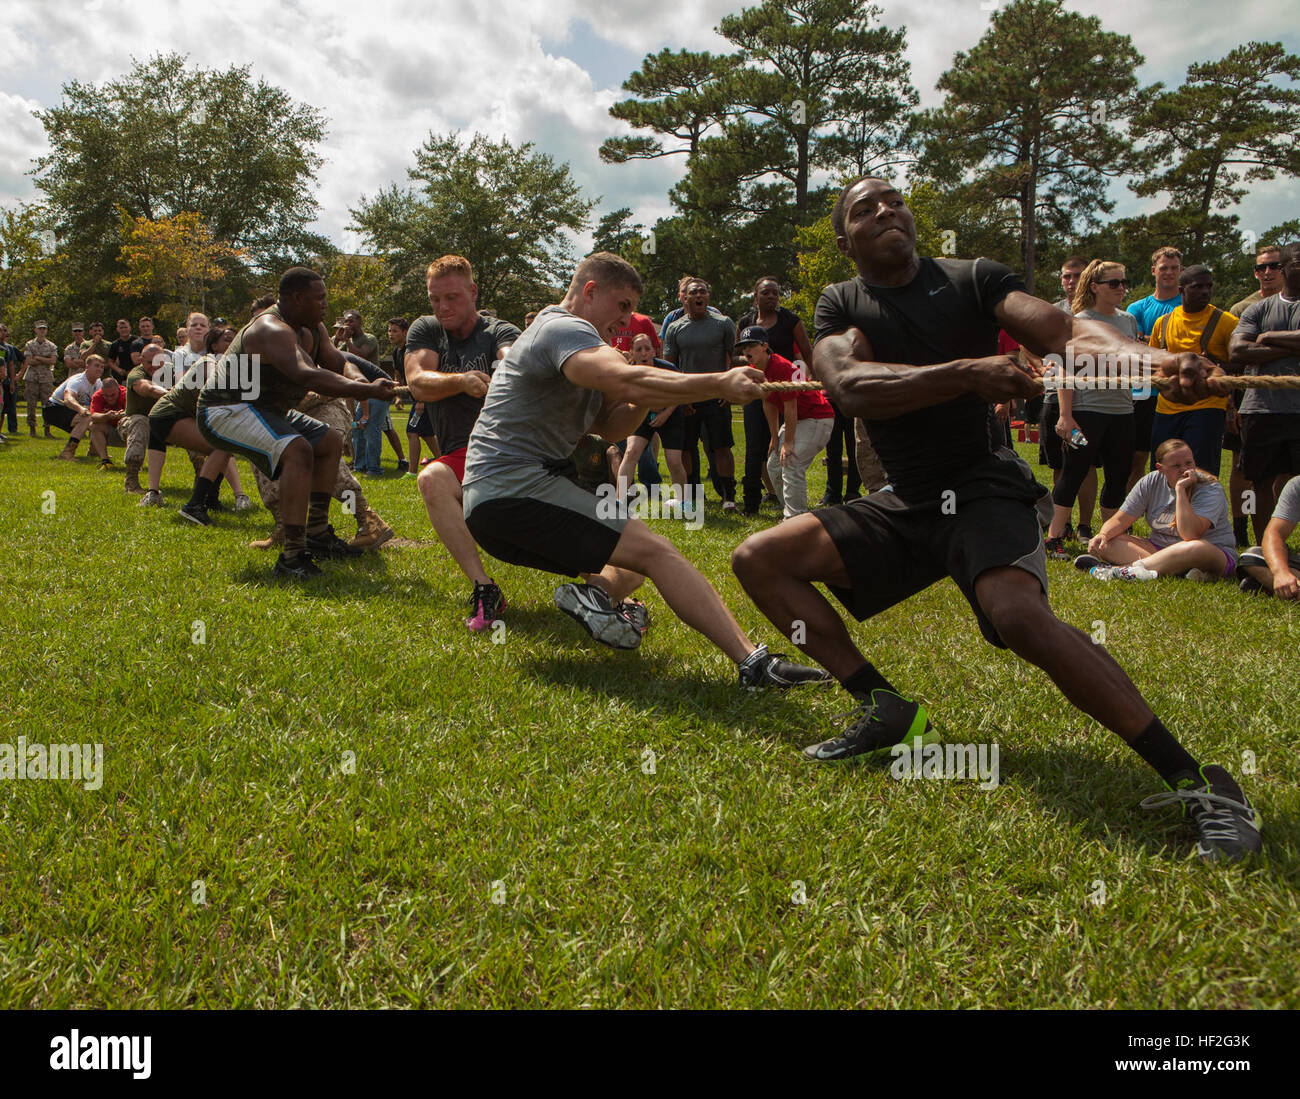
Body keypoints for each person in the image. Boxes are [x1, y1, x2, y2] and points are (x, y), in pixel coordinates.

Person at [729, 175, 1260, 863]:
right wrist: (967, 372)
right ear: (844, 240)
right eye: (866, 209)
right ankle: (883, 704)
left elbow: (1066, 329)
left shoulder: (971, 279)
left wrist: (1157, 361)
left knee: (1018, 616)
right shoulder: (841, 304)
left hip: (983, 489)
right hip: (906, 499)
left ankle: (1201, 783)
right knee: (757, 558)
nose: (888, 210)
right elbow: (848, 387)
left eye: (896, 201)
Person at [461, 250, 830, 695]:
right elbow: (624, 381)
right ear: (590, 291)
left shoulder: (577, 347)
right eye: (621, 307)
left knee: (632, 564)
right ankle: (755, 664)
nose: (626, 321)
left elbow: (609, 425)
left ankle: (596, 597)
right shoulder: (564, 328)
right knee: (660, 552)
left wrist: (648, 396)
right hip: (514, 489)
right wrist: (717, 382)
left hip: (495, 508)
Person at [196, 266, 395, 576]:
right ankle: (292, 556)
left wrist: (360, 381)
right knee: (298, 450)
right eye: (320, 298)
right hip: (226, 410)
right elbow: (307, 373)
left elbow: (338, 362)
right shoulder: (269, 329)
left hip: (265, 409)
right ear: (298, 298)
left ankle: (317, 536)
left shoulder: (314, 327)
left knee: (328, 442)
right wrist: (366, 388)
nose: (326, 304)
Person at [409, 255, 522, 629]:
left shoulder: (497, 331)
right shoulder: (426, 330)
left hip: (507, 453)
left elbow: (510, 360)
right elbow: (418, 381)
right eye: (435, 299)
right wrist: (461, 381)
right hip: (461, 453)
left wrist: (505, 368)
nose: (443, 307)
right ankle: (484, 587)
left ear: (473, 292)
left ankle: (610, 591)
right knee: (430, 479)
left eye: (453, 298)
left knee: (541, 534)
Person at [1042, 260, 1138, 559]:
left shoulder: (1128, 320)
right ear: (1095, 287)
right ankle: (1054, 538)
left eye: (1124, 282)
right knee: (1073, 471)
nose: (1121, 288)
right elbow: (1064, 369)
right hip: (1086, 412)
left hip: (1122, 411)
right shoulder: (1079, 321)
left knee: (1118, 474)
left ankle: (1111, 538)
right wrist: (1066, 415)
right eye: (1114, 283)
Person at [1074, 439, 1237, 582]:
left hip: (1210, 553)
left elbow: (1190, 534)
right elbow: (1120, 520)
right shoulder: (1151, 481)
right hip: (1159, 548)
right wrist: (1102, 535)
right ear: (1160, 468)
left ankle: (1119, 571)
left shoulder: (1210, 488)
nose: (1185, 469)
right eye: (1176, 466)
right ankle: (1171, 570)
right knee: (1109, 542)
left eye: (1189, 463)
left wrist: (1180, 490)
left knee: (1195, 547)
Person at [1227, 241, 1300, 544]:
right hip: (1261, 409)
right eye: (1296, 261)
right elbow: (1237, 350)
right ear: (1286, 266)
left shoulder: (1261, 320)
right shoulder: (1257, 308)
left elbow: (1251, 346)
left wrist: (1267, 337)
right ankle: (1260, 547)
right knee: (1256, 482)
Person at [734, 325, 833, 519]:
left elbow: (791, 407)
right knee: (773, 465)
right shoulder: (757, 371)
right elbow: (769, 404)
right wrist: (774, 437)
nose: (747, 351)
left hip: (817, 417)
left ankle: (795, 517)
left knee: (790, 462)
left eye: (752, 345)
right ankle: (788, 507)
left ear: (765, 346)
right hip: (800, 420)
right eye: (744, 347)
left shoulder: (779, 366)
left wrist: (787, 442)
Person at [141, 325, 243, 513]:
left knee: (224, 446)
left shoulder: (232, 367)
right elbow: (216, 383)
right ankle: (197, 504)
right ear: (213, 345)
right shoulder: (209, 362)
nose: (234, 343)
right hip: (168, 414)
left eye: (236, 339)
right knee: (219, 447)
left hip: (181, 415)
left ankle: (210, 501)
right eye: (228, 339)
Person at [736, 277, 816, 514]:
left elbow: (807, 353)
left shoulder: (790, 320)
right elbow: (737, 355)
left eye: (775, 293)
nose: (771, 296)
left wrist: (810, 380)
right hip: (757, 391)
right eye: (766, 293)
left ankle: (786, 498)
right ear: (755, 296)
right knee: (753, 446)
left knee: (784, 444)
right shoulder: (746, 323)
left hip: (786, 394)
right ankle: (751, 501)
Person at [1148, 266, 1237, 478]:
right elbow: (1151, 362)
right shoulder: (1164, 323)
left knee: (1201, 471)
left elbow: (1242, 362)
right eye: (1198, 287)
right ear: (1182, 290)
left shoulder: (1226, 322)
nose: (1205, 291)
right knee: (1161, 472)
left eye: (1209, 286)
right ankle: (1164, 511)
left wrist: (1214, 364)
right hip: (1166, 408)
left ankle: (1200, 511)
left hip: (1208, 407)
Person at [664, 278, 739, 510]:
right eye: (693, 292)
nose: (699, 295)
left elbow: (734, 359)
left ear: (708, 297)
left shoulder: (724, 323)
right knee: (686, 449)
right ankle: (690, 496)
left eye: (703, 292)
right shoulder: (675, 328)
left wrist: (729, 388)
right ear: (685, 298)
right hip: (688, 400)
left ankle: (728, 497)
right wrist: (680, 398)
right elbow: (669, 367)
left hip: (717, 398)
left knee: (721, 448)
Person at [1039, 257, 1097, 540]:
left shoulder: (1097, 313)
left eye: (1077, 276)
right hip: (1054, 396)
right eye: (1066, 276)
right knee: (1060, 466)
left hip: (1090, 400)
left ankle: (1085, 525)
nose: (1071, 281)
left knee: (1085, 466)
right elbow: (1026, 338)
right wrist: (1039, 364)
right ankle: (1062, 526)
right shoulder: (1051, 312)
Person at [1125, 247, 1183, 491]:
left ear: (1181, 271)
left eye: (1174, 268)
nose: (1169, 273)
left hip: (1177, 392)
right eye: (1163, 268)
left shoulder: (1188, 304)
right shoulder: (1137, 308)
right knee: (1137, 457)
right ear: (1153, 271)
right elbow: (1131, 347)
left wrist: (1148, 342)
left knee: (1174, 458)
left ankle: (1171, 510)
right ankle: (1129, 512)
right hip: (1144, 391)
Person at [614, 332, 687, 503]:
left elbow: (680, 393)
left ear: (655, 351)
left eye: (647, 348)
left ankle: (682, 501)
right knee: (631, 452)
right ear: (631, 353)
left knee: (674, 461)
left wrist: (665, 414)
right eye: (639, 349)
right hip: (642, 415)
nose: (644, 353)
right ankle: (619, 500)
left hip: (670, 415)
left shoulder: (668, 369)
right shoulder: (628, 372)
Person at [119, 343, 172, 494]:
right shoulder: (136, 374)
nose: (155, 367)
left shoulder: (172, 373)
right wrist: (169, 394)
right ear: (141, 360)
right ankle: (131, 481)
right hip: (132, 423)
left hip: (162, 423)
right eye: (150, 363)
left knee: (188, 423)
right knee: (141, 421)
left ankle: (202, 478)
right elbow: (147, 388)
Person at [1238, 474, 1300, 598]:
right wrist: (1281, 573)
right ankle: (1290, 586)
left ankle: (1281, 589)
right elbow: (1274, 533)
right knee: (1252, 556)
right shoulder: (1297, 485)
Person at [48, 355, 104, 458]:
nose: (100, 369)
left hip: (69, 410)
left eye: (101, 367)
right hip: (53, 408)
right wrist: (81, 409)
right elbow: (68, 398)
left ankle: (94, 451)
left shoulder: (98, 383)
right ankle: (67, 453)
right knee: (86, 418)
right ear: (87, 367)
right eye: (96, 366)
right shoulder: (78, 380)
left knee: (99, 419)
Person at [20, 321, 59, 437]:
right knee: (31, 404)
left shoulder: (51, 346)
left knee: (47, 404)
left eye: (44, 329)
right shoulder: (29, 344)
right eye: (39, 329)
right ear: (35, 330)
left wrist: (38, 358)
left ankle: (47, 429)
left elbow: (53, 361)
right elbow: (29, 361)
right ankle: (32, 429)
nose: (42, 331)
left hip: (46, 378)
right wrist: (45, 359)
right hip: (32, 377)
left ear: (46, 330)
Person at [1229, 245, 1284, 318]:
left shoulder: (1296, 304)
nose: (1267, 272)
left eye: (1274, 266)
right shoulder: (1241, 309)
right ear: (1256, 273)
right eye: (1261, 268)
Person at [87, 370, 128, 468]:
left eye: (113, 395)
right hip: (112, 432)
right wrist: (106, 416)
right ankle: (105, 461)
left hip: (128, 432)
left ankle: (134, 462)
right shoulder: (98, 396)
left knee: (133, 423)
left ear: (118, 389)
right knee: (94, 425)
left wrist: (121, 415)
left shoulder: (126, 394)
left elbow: (132, 413)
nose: (109, 398)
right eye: (106, 395)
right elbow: (94, 416)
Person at [0, 323, 18, 435]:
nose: (3, 333)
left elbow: (11, 365)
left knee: (4, 409)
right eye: (1, 331)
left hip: (4, 381)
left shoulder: (6, 348)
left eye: (4, 331)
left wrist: (12, 382)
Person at [107, 318, 135, 383]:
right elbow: (110, 361)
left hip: (136, 373)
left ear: (130, 328)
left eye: (125, 327)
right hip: (122, 375)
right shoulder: (115, 344)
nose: (124, 329)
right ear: (117, 329)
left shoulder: (137, 341)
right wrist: (118, 370)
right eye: (121, 328)